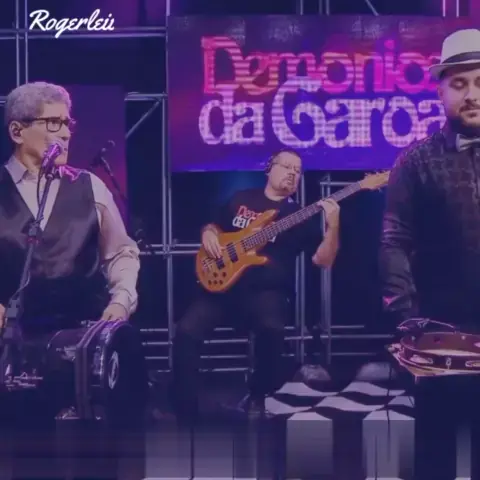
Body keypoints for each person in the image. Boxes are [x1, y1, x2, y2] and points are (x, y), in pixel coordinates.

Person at [171, 149, 340, 422]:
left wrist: (333, 225)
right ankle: (184, 410)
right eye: (287, 166)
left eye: (298, 171)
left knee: (273, 330)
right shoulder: (241, 198)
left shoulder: (299, 215)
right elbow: (212, 225)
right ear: (269, 168)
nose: (292, 173)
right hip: (222, 288)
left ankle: (258, 394)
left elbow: (323, 260)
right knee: (186, 331)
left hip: (266, 293)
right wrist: (208, 234)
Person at [380, 29, 480, 479]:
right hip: (440, 334)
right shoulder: (414, 161)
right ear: (441, 91)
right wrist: (408, 318)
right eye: (459, 84)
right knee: (434, 458)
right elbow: (394, 241)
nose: (471, 94)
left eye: (479, 82)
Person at [0, 82, 140, 353]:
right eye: (53, 123)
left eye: (67, 123)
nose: (65, 134)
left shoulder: (90, 187)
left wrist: (121, 300)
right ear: (17, 132)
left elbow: (121, 253)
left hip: (79, 342)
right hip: (9, 345)